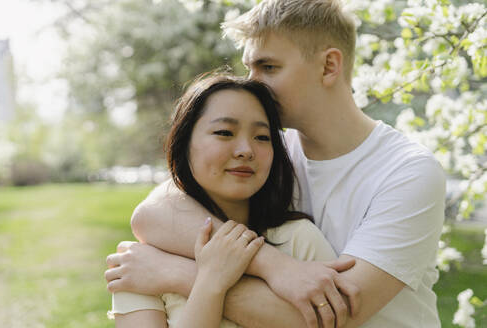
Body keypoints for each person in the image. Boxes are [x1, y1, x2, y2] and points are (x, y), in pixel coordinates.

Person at [105, 0, 446, 327]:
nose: (252, 83)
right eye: (249, 67)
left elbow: (331, 316)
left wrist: (176, 273)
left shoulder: (408, 172)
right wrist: (273, 265)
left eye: (268, 67)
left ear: (329, 66)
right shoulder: (264, 155)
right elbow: (152, 215)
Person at [106, 74, 339, 327]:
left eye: (262, 137)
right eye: (224, 132)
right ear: (184, 143)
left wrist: (192, 276)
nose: (245, 150)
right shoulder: (143, 262)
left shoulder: (299, 241)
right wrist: (210, 282)